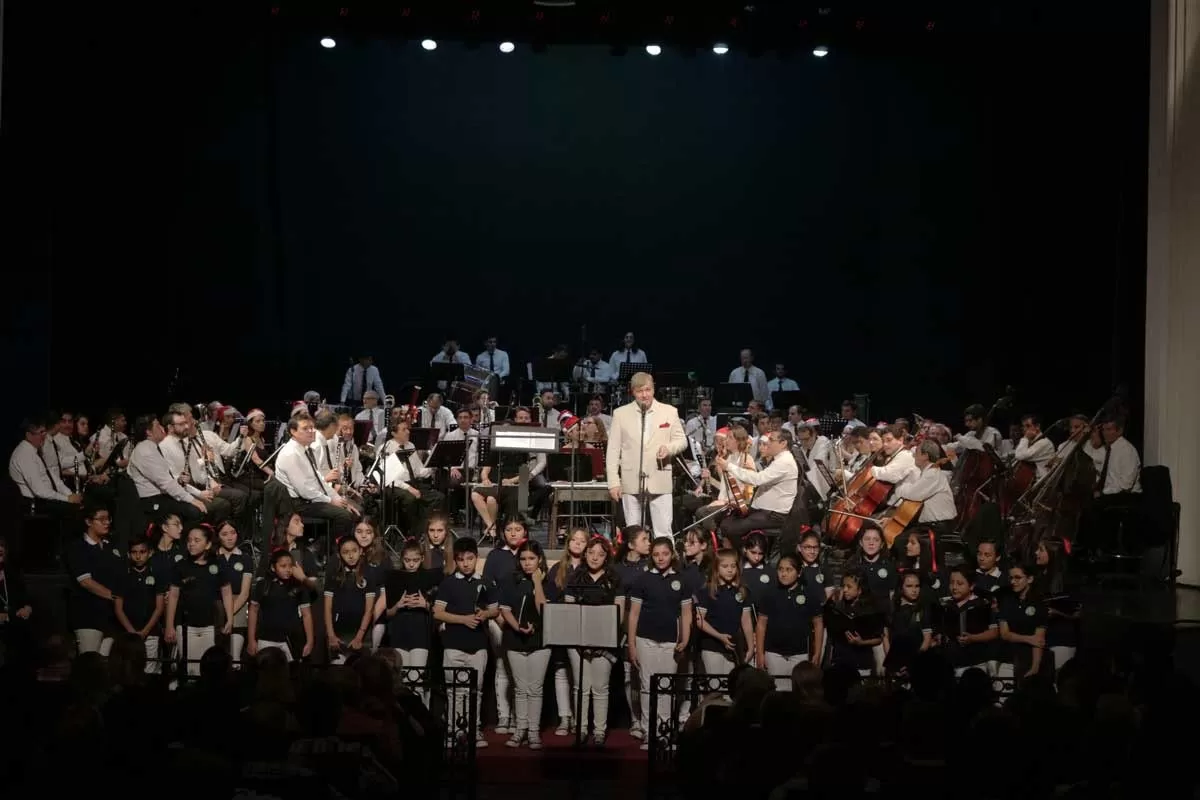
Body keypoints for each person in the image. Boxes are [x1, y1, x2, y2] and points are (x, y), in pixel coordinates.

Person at [605, 372, 687, 541]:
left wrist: (668, 448)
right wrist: (613, 482)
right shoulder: (621, 414)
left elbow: (682, 440)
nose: (644, 395)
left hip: (659, 477)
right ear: (632, 392)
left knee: (663, 531)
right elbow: (613, 451)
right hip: (631, 479)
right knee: (633, 533)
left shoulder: (669, 412)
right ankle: (634, 565)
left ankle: (666, 564)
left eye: (648, 390)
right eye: (639, 391)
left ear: (653, 389)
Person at [715, 430, 799, 550]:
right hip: (763, 510)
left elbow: (757, 479)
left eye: (771, 440)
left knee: (730, 527)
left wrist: (728, 466)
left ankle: (746, 555)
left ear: (783, 443)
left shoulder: (785, 462)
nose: (767, 443)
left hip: (773, 515)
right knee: (725, 521)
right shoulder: (780, 460)